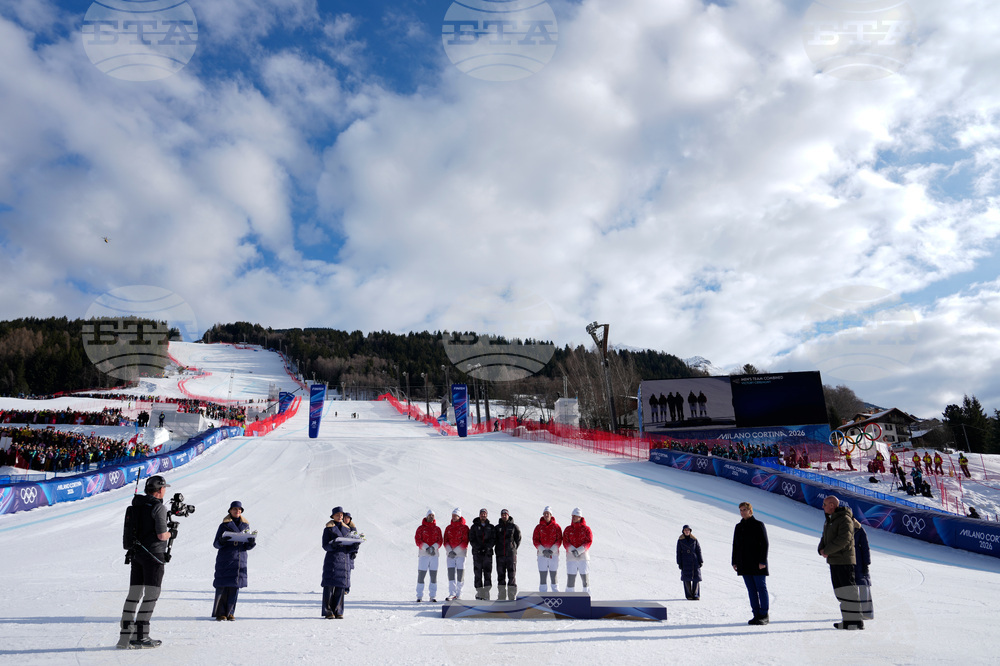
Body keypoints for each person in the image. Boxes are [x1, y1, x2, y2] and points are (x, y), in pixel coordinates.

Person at [119, 475, 171, 649]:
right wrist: (172, 533)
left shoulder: (136, 505)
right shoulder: (159, 507)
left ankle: (125, 636)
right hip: (154, 556)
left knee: (134, 594)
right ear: (160, 490)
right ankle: (141, 636)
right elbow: (162, 535)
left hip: (136, 555)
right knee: (151, 595)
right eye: (164, 488)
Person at [818, 496, 862, 630]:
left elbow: (844, 539)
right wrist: (821, 549)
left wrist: (827, 550)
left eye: (825, 504)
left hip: (844, 560)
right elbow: (824, 537)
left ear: (832, 505)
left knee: (848, 590)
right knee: (840, 591)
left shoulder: (844, 519)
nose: (823, 507)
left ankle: (855, 621)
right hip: (834, 560)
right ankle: (848, 620)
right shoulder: (830, 520)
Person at [211, 501, 256, 621]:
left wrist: (251, 543)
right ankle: (220, 613)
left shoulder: (246, 526)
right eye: (235, 509)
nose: (237, 511)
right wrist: (222, 541)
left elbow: (247, 546)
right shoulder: (223, 526)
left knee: (234, 587)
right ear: (230, 511)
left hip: (239, 560)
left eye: (239, 510)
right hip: (225, 559)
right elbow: (216, 544)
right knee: (222, 586)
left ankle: (230, 612)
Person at [732, 501, 769, 625]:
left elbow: (765, 544)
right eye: (741, 510)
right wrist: (735, 561)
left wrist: (763, 561)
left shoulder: (758, 525)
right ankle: (756, 614)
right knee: (751, 590)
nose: (742, 512)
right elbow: (735, 545)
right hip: (744, 563)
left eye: (744, 510)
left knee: (761, 588)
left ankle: (764, 615)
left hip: (757, 563)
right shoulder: (738, 526)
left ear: (750, 510)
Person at [321, 506, 355, 618]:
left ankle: (338, 611)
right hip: (332, 560)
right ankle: (328, 611)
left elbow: (348, 547)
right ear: (333, 516)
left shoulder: (348, 530)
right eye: (337, 515)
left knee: (340, 587)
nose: (340, 517)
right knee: (329, 586)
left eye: (341, 515)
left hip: (344, 560)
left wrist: (355, 546)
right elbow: (325, 546)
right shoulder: (328, 529)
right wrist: (333, 545)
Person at [415, 509, 443, 602]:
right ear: (427, 516)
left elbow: (440, 541)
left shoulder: (437, 529)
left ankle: (433, 596)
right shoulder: (420, 528)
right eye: (430, 515)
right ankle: (419, 596)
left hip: (434, 555)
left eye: (433, 515)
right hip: (423, 555)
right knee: (421, 575)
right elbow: (418, 540)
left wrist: (433, 548)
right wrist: (426, 548)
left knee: (433, 576)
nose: (431, 517)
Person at [562, 508, 593, 593]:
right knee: (570, 580)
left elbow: (589, 541)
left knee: (585, 580)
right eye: (572, 516)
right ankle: (569, 597)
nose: (573, 517)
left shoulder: (586, 529)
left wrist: (579, 551)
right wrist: (572, 550)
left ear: (580, 517)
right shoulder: (568, 529)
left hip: (583, 558)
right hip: (571, 558)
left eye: (575, 516)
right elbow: (565, 541)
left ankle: (586, 597)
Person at [533, 506, 562, 592]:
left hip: (554, 555)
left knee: (554, 574)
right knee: (543, 575)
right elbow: (535, 540)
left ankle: (556, 592)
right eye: (545, 514)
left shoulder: (556, 527)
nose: (546, 515)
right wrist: (543, 550)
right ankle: (542, 593)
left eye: (548, 514)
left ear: (551, 515)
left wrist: (551, 550)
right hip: (542, 555)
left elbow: (559, 540)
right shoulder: (538, 527)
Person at [468, 508, 495, 600]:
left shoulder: (491, 527)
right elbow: (471, 539)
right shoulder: (474, 526)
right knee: (477, 572)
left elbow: (493, 539)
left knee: (487, 572)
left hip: (487, 554)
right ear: (479, 515)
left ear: (486, 515)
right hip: (477, 553)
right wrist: (478, 548)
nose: (483, 515)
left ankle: (486, 592)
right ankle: (479, 592)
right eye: (481, 514)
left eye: (484, 514)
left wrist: (487, 548)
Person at [494, 508, 521, 601]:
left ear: (508, 515)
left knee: (512, 576)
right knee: (501, 576)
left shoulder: (514, 527)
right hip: (500, 555)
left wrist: (513, 548)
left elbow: (518, 539)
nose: (504, 516)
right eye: (502, 514)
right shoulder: (497, 527)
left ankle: (511, 596)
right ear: (501, 516)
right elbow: (494, 539)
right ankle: (501, 597)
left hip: (510, 555)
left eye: (506, 514)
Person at [443, 508, 469, 601]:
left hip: (461, 555)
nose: (453, 517)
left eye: (455, 516)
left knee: (460, 574)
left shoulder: (465, 528)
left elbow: (465, 541)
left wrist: (456, 551)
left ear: (459, 516)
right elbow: (445, 540)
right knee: (451, 574)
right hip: (450, 555)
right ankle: (452, 593)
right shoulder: (448, 528)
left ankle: (459, 594)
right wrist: (450, 551)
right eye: (452, 515)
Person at [853, 519, 873, 620]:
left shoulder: (859, 530)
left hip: (860, 562)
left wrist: (866, 564)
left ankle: (867, 612)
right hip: (849, 561)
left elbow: (865, 548)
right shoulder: (843, 528)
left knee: (863, 586)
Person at [676, 525, 703, 601]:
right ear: (683, 531)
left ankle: (696, 595)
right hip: (685, 561)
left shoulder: (694, 539)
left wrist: (700, 561)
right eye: (685, 530)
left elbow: (698, 550)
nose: (687, 531)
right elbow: (678, 552)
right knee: (686, 579)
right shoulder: (680, 540)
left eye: (688, 530)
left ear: (690, 531)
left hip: (694, 560)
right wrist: (679, 563)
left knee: (696, 578)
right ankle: (689, 595)